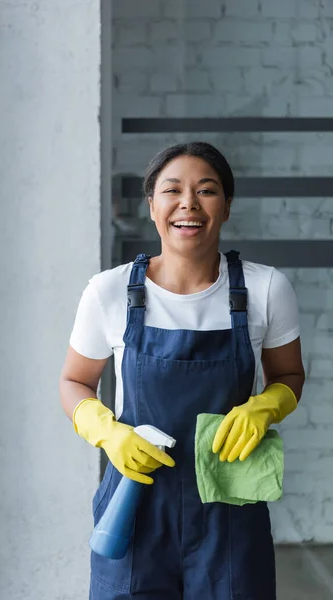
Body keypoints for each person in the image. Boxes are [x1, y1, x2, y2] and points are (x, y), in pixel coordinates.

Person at [59, 142, 305, 600]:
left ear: (226, 207)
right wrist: (106, 432)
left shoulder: (266, 288)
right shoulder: (108, 291)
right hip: (135, 503)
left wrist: (266, 407)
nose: (188, 202)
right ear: (152, 205)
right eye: (172, 190)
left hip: (229, 508)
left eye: (206, 190)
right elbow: (74, 381)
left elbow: (289, 376)